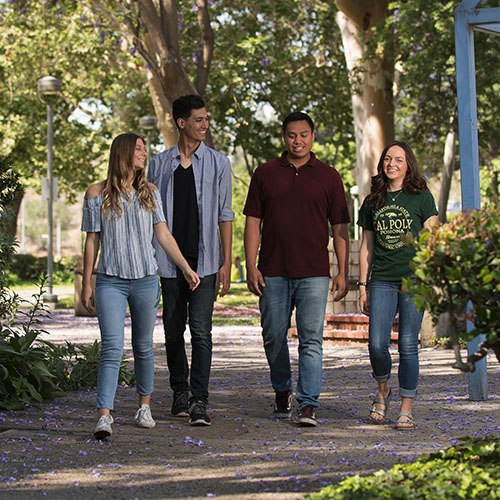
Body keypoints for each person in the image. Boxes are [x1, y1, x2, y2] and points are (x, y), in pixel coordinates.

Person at [81, 133, 200, 440]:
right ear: (122, 152)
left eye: (145, 149)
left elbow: (164, 236)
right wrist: (87, 284)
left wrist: (186, 268)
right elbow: (91, 240)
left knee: (143, 347)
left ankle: (143, 407)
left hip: (146, 280)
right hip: (110, 281)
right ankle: (104, 416)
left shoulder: (150, 193)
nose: (144, 153)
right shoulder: (97, 194)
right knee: (112, 348)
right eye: (138, 149)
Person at [243, 111, 350, 427]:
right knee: (273, 335)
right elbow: (252, 222)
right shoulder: (265, 174)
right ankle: (281, 391)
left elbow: (340, 227)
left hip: (314, 272)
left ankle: (308, 403)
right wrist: (251, 266)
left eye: (304, 134)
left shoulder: (329, 176)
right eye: (292, 135)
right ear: (284, 137)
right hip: (273, 270)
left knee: (311, 338)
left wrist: (343, 271)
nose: (298, 140)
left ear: (313, 136)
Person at [147, 95, 233, 426]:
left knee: (201, 331)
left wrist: (225, 260)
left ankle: (199, 400)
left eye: (206, 119)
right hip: (169, 262)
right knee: (172, 330)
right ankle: (179, 391)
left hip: (206, 260)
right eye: (198, 120)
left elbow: (225, 215)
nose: (205, 125)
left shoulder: (218, 163)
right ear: (181, 123)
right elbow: (149, 213)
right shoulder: (158, 163)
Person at [357, 140, 438, 430]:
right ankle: (383, 389)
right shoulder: (372, 202)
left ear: (408, 165)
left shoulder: (421, 197)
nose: (392, 164)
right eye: (388, 159)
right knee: (377, 344)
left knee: (407, 344)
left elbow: (433, 237)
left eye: (399, 160)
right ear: (382, 164)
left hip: (414, 279)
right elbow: (366, 249)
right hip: (381, 278)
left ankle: (406, 406)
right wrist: (363, 286)